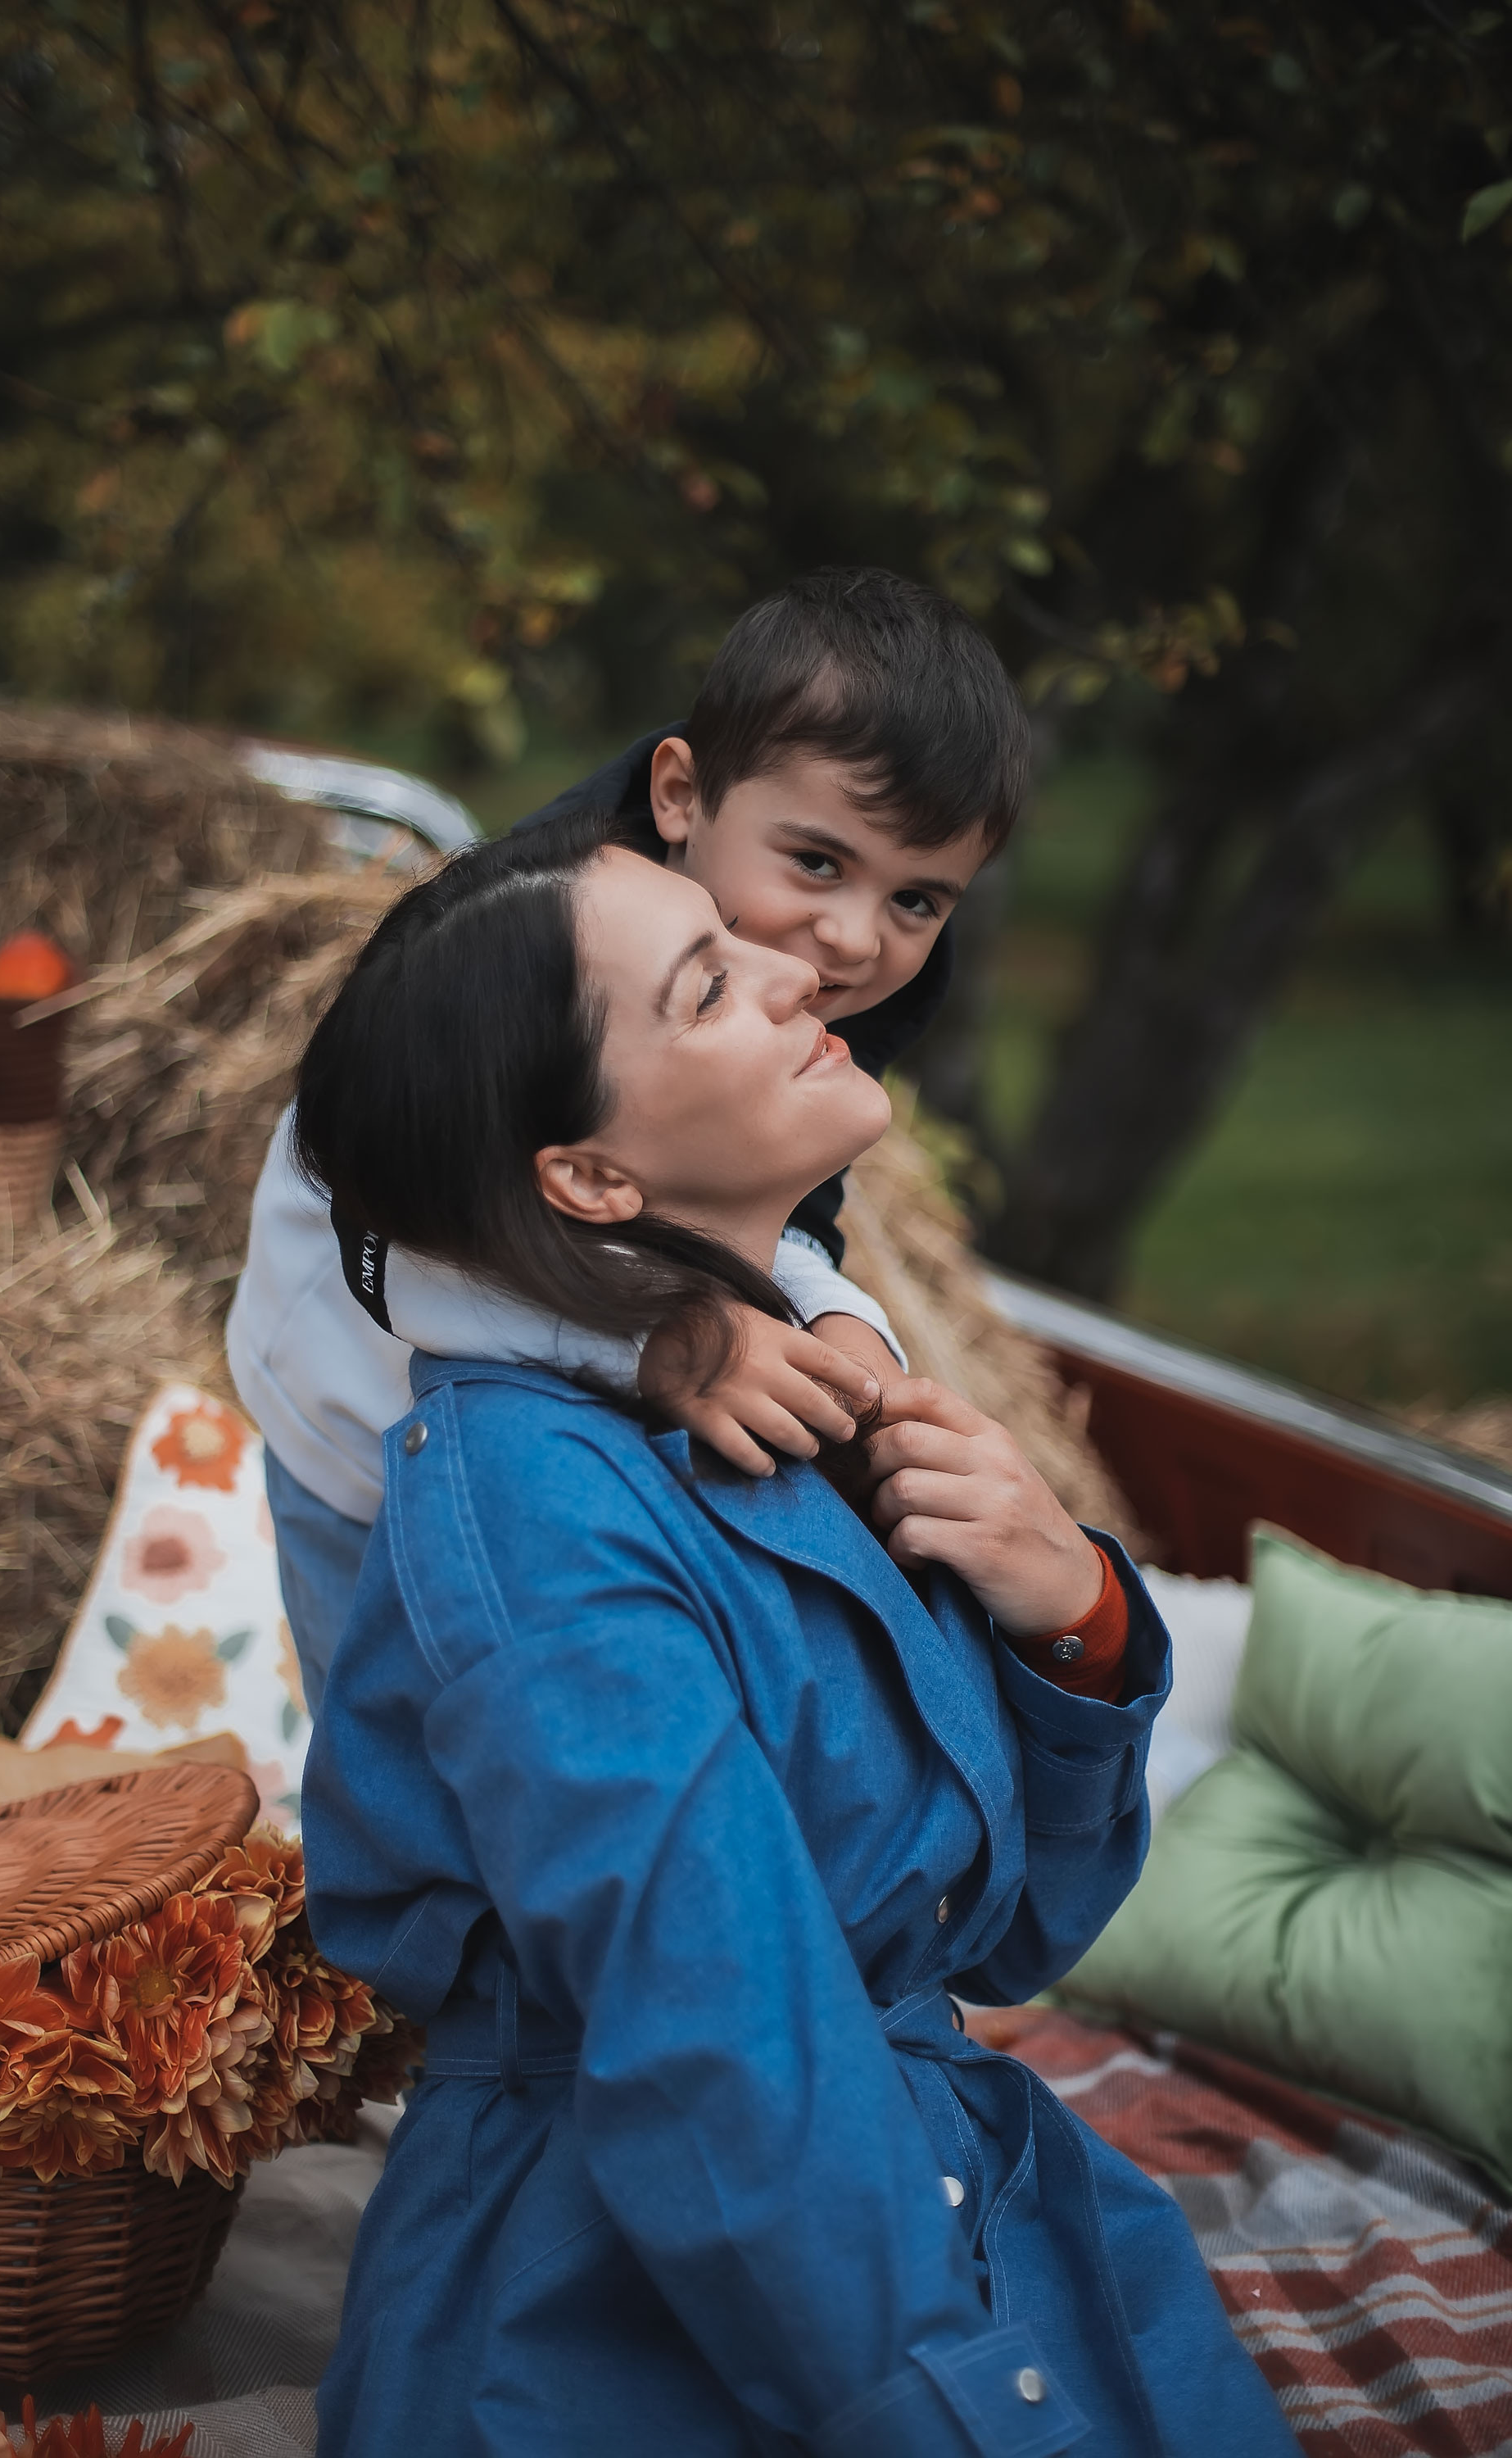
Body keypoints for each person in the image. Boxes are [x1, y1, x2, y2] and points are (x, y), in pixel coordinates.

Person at [294, 810, 1297, 2456]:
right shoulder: (537, 1512)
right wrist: (968, 2412)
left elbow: (999, 1931)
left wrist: (1079, 1622)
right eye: (705, 982)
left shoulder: (819, 1382)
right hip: (632, 2288)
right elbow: (715, 2042)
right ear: (593, 1177)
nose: (799, 961)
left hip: (942, 2186)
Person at [228, 567, 1028, 1711]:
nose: (849, 944)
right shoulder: (523, 951)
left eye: (920, 901)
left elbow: (772, 1198)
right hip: (360, 1405)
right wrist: (664, 1340)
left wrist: (837, 1317)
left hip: (547, 1413)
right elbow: (403, 1231)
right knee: (395, 1732)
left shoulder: (820, 961)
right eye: (817, 863)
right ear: (679, 796)